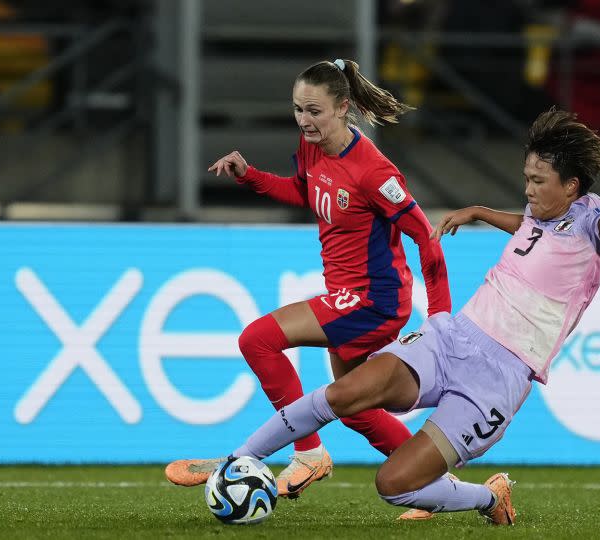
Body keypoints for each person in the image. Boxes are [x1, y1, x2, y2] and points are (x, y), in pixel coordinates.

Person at [204, 109, 600, 524]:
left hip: (499, 378)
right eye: (526, 178)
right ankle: (239, 460)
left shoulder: (597, 221)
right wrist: (478, 212)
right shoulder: (541, 210)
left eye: (538, 181)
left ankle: (489, 497)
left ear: (571, 186)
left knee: (393, 485)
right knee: (342, 394)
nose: (529, 190)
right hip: (453, 338)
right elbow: (528, 224)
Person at [164, 59, 452, 508]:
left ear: (343, 107)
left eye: (315, 111)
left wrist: (440, 318)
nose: (304, 120)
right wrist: (251, 176)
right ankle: (434, 488)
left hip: (372, 301)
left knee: (256, 340)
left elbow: (426, 238)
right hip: (347, 295)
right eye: (298, 109)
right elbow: (305, 191)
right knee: (354, 407)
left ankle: (308, 452)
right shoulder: (312, 145)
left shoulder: (375, 173)